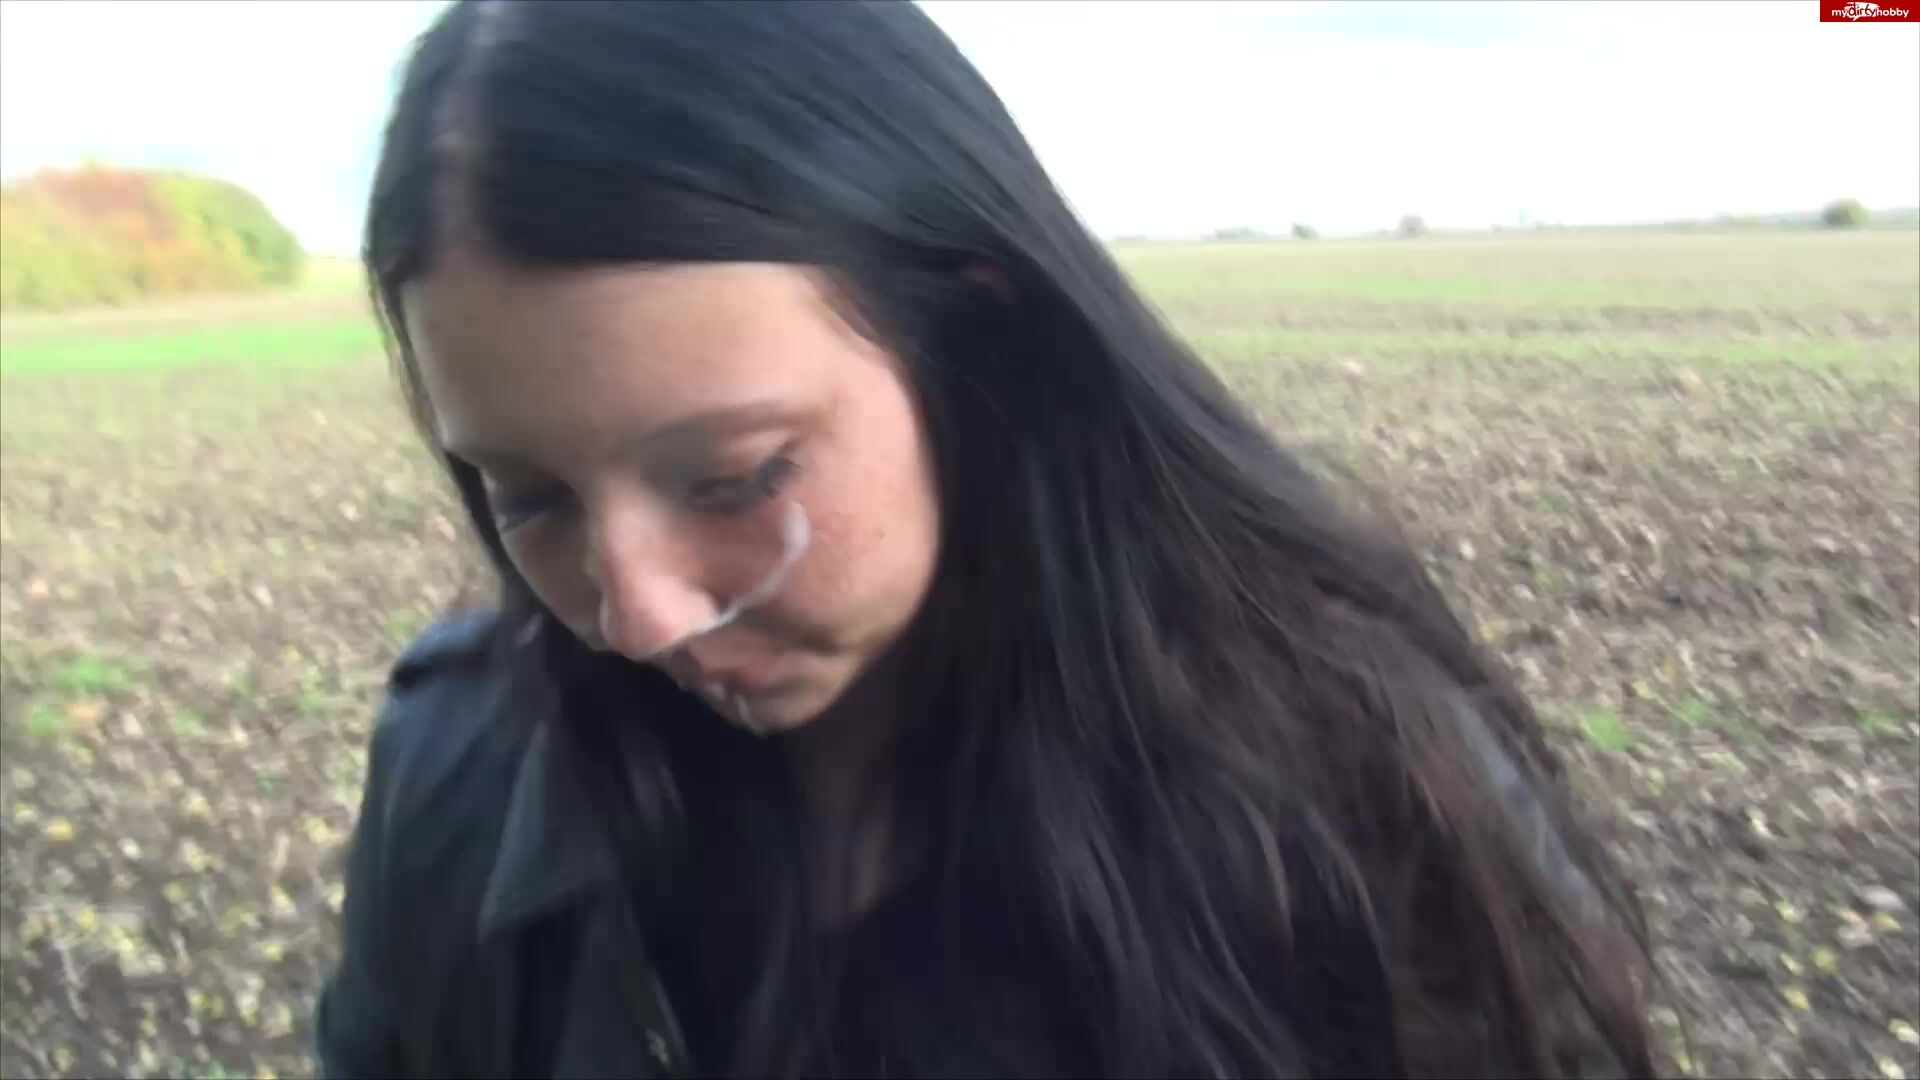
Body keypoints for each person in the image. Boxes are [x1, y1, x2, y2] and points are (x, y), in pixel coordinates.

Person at [315, 2, 1660, 1077]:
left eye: (733, 478)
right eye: (530, 497)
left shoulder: (1356, 787)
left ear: (978, 339)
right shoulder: (458, 767)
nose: (637, 616)